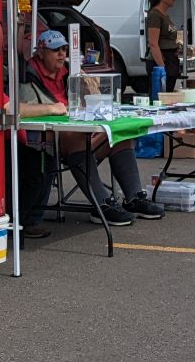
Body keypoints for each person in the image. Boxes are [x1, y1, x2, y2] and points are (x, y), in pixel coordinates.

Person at [17, 30, 164, 227]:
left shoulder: (69, 70)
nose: (61, 54)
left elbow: (97, 98)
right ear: (41, 52)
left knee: (120, 136)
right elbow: (25, 109)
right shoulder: (28, 75)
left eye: (63, 49)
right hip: (45, 139)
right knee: (77, 137)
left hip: (78, 131)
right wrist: (56, 109)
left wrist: (85, 79)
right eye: (55, 50)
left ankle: (134, 198)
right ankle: (101, 204)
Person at [144, 0, 182, 95]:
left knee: (168, 95)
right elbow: (153, 43)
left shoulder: (165, 15)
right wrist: (162, 68)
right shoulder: (155, 15)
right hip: (161, 61)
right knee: (160, 96)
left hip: (171, 60)